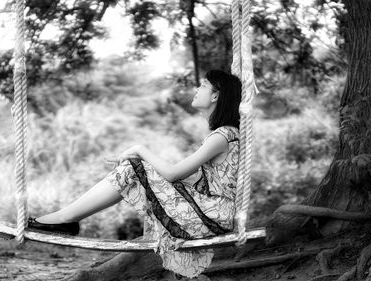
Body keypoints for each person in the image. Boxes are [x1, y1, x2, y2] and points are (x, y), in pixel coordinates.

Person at [28, 69, 242, 278]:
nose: (197, 89)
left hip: (213, 216)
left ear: (216, 95)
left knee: (133, 167)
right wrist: (143, 168)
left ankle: (66, 218)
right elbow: (187, 177)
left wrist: (140, 149)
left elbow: (174, 174)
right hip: (211, 212)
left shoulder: (222, 136)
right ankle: (66, 218)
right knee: (135, 168)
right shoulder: (222, 134)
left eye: (204, 85)